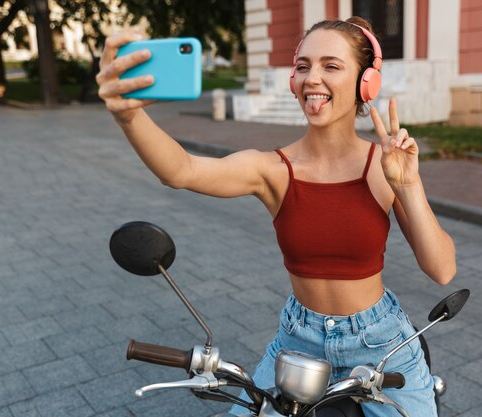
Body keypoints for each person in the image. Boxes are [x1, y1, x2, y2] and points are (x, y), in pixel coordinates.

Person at [97, 16, 456, 417]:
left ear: (365, 83)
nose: (311, 78)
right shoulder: (273, 169)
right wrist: (128, 117)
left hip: (381, 344)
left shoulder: (384, 166)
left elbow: (442, 269)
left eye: (331, 66)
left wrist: (408, 184)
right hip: (298, 343)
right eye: (303, 66)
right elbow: (181, 170)